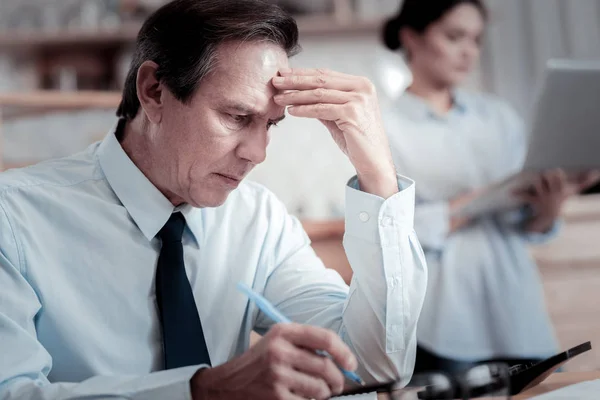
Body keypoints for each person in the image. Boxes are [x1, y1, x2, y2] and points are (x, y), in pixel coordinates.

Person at [0, 1, 428, 399]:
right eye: (237, 117)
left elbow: (372, 369)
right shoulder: (13, 218)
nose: (257, 153)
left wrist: (378, 176)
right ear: (153, 91)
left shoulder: (258, 220)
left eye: (270, 125)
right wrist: (201, 391)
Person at [381, 0, 600, 374]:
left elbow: (526, 226)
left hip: (517, 310)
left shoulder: (499, 117)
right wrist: (477, 203)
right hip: (445, 321)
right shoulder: (385, 126)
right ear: (411, 38)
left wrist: (548, 208)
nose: (469, 51)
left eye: (477, 40)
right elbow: (387, 230)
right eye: (455, 37)